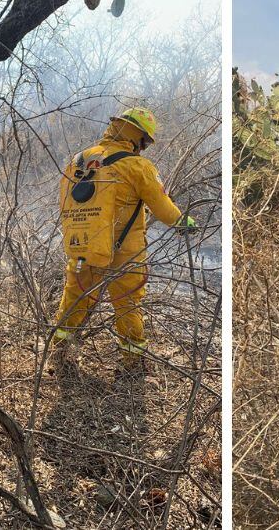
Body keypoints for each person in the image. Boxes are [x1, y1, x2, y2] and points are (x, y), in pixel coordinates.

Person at [51, 107, 196, 375]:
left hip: (83, 246)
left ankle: (58, 353)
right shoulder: (137, 165)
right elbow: (160, 204)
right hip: (124, 253)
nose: (144, 148)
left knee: (74, 299)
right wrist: (181, 221)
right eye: (145, 142)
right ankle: (132, 365)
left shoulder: (78, 160)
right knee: (128, 302)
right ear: (138, 136)